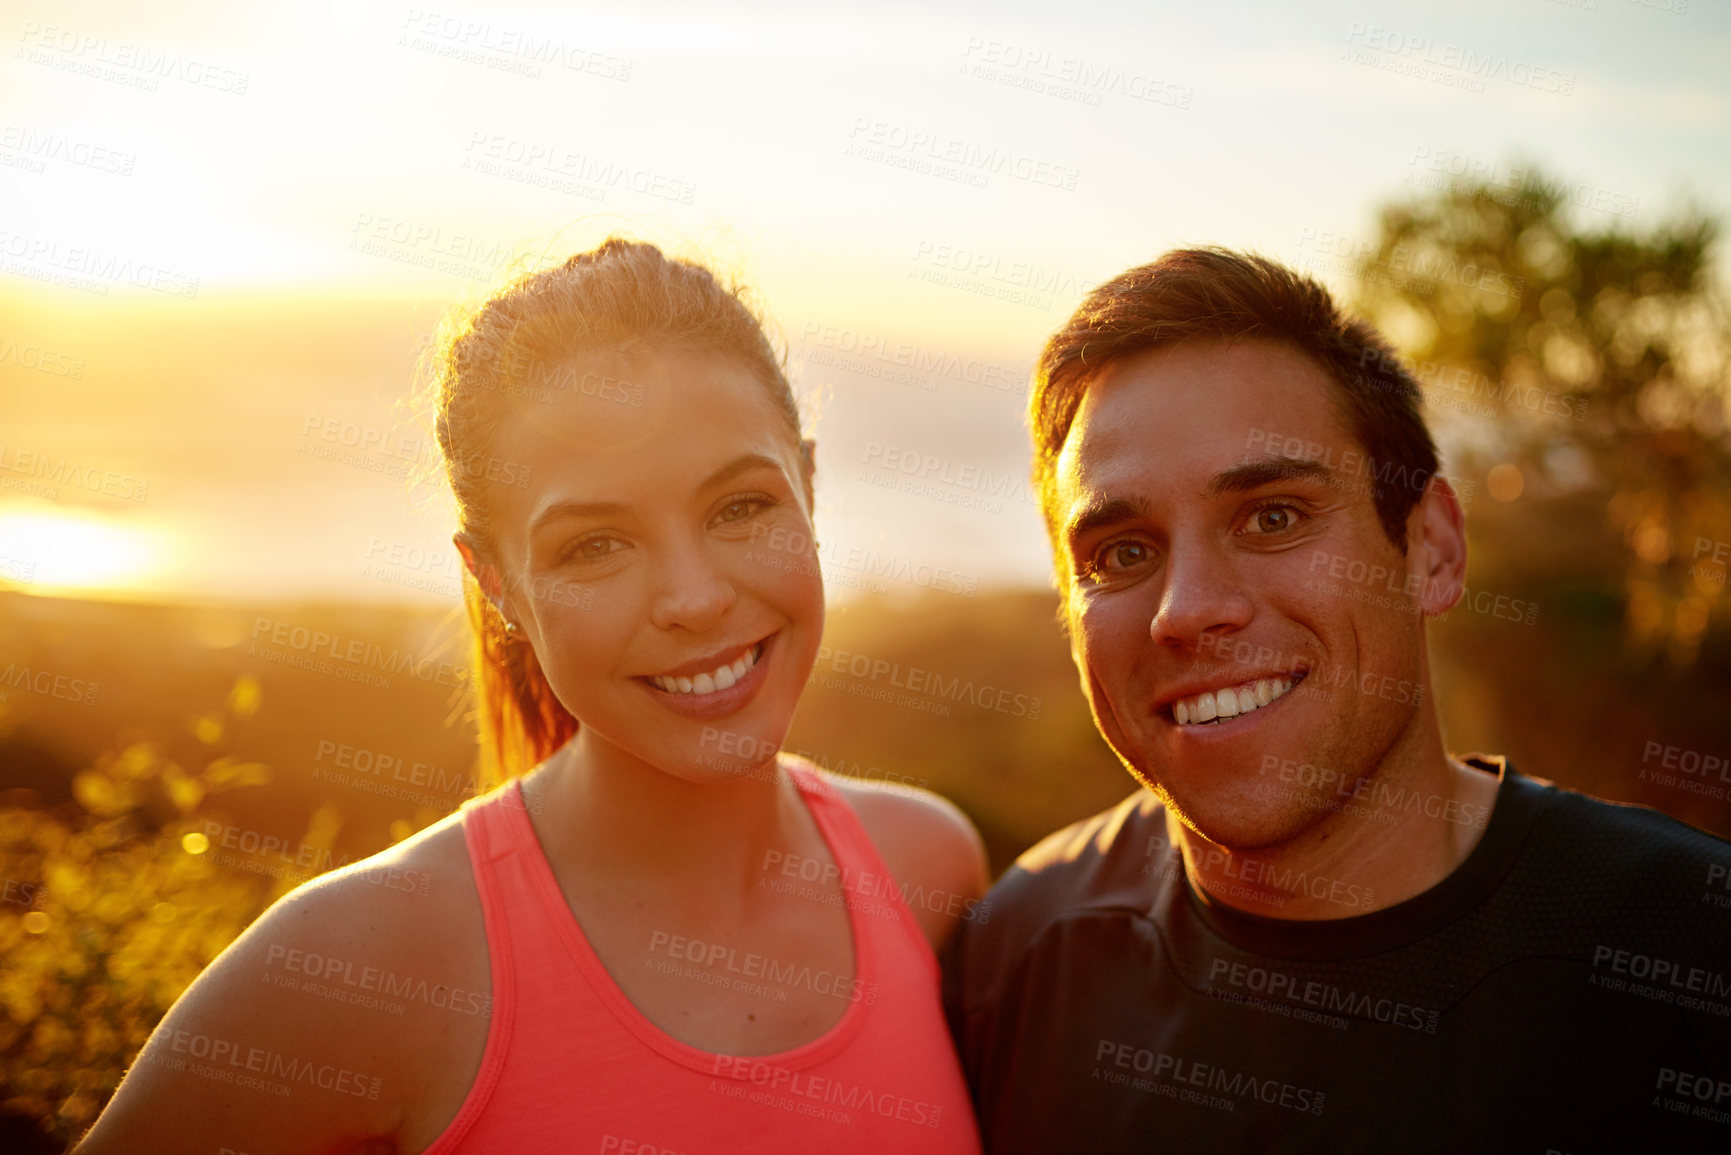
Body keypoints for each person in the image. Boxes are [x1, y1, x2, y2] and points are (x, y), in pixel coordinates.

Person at [77, 238, 987, 1153]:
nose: (695, 596)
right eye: (594, 545)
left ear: (810, 488)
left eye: (741, 506)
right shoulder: (365, 963)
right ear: (496, 584)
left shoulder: (928, 868)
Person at [942, 247, 1731, 1154]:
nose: (1189, 608)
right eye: (1121, 552)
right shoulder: (1018, 952)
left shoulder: (1688, 948)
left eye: (1272, 516)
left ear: (1430, 549)